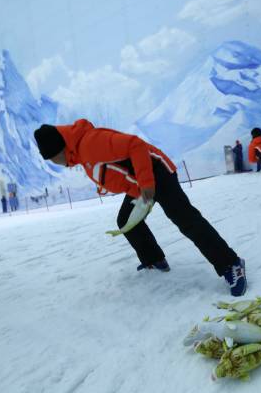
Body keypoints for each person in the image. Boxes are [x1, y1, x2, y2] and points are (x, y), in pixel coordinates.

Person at [33, 119, 247, 296]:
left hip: (157, 173)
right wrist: (139, 190)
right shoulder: (80, 153)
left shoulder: (90, 142)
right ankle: (154, 260)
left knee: (185, 219)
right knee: (126, 221)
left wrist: (146, 184)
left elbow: (135, 145)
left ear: (60, 148)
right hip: (141, 184)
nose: (56, 162)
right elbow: (116, 171)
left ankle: (231, 264)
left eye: (53, 158)